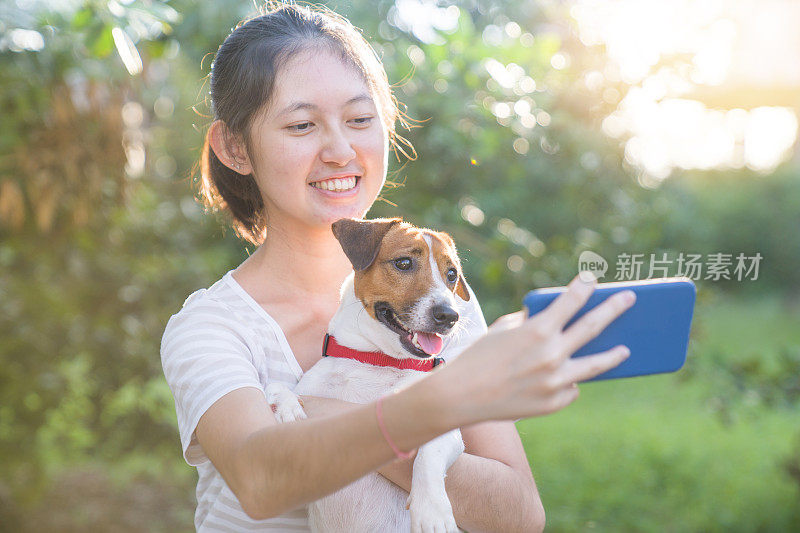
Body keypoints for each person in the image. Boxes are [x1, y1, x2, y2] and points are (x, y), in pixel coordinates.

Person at [160, 3, 635, 531]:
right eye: (301, 125)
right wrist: (440, 402)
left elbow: (518, 516)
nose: (340, 150)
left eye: (361, 120)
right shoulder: (214, 327)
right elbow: (261, 478)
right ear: (234, 147)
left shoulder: (442, 305)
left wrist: (324, 411)